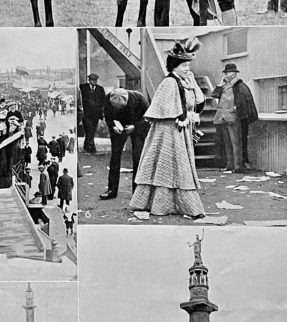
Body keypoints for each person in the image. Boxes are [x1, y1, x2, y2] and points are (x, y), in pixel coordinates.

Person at [129, 39, 206, 219]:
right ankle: (162, 205)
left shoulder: (184, 81)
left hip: (180, 132)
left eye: (188, 65)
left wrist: (193, 83)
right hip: (167, 132)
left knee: (179, 167)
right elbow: (163, 108)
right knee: (167, 167)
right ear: (174, 66)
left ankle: (180, 204)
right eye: (184, 65)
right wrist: (180, 116)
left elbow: (199, 103)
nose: (188, 69)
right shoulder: (169, 83)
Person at [99, 87, 150, 199]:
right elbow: (108, 117)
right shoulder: (107, 99)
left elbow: (148, 119)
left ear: (127, 101)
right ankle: (112, 190)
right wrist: (113, 126)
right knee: (115, 157)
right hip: (119, 128)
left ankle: (137, 193)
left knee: (137, 158)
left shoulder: (139, 98)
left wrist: (135, 126)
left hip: (137, 127)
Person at [211, 63, 259, 171]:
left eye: (227, 73)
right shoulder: (224, 86)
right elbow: (214, 95)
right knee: (227, 143)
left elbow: (243, 102)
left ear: (233, 74)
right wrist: (220, 84)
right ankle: (230, 164)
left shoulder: (239, 86)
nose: (226, 75)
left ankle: (238, 166)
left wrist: (235, 110)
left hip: (233, 118)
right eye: (226, 73)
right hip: (223, 118)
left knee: (236, 143)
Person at [79, 72, 105, 153]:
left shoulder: (100, 89)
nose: (94, 82)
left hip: (96, 114)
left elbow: (103, 101)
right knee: (89, 129)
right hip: (86, 114)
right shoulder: (83, 87)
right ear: (89, 80)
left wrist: (102, 112)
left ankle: (86, 146)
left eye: (95, 80)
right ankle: (92, 147)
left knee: (92, 130)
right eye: (93, 80)